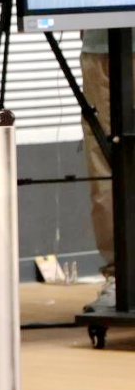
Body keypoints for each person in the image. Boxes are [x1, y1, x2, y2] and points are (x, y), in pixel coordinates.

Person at [80, 28, 135, 313]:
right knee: (104, 162)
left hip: (101, 47)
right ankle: (120, 278)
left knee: (105, 161)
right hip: (102, 47)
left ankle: (119, 277)